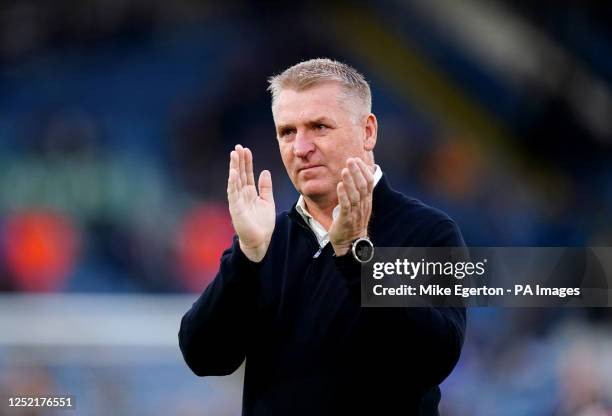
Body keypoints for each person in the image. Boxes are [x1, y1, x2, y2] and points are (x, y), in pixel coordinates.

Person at [179, 58, 466, 415]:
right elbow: (205, 357)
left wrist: (355, 255)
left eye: (319, 127)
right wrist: (247, 256)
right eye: (287, 131)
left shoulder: (427, 232)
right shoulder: (268, 239)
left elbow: (433, 359)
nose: (300, 148)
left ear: (367, 131)